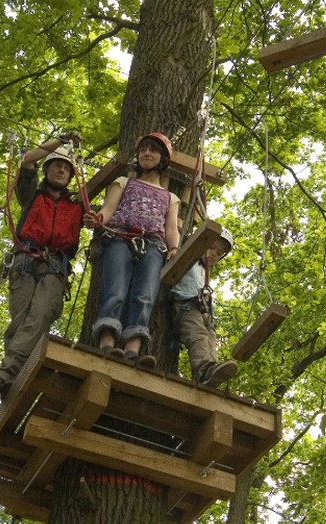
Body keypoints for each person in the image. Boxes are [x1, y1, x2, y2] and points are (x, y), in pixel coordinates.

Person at [0, 132, 84, 402]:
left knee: (38, 317)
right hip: (25, 262)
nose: (61, 170)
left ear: (71, 177)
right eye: (56, 166)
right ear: (47, 170)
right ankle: (11, 383)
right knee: (20, 323)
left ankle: (3, 374)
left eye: (66, 168)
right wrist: (61, 142)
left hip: (54, 266)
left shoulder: (77, 207)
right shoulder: (31, 196)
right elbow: (26, 160)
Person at [83, 132, 180, 368]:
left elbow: (171, 227)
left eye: (153, 150)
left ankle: (132, 348)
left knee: (145, 295)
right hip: (120, 236)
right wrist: (98, 219)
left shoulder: (171, 197)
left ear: (163, 159)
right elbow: (109, 207)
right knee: (115, 290)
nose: (147, 153)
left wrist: (174, 247)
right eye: (143, 149)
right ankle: (107, 341)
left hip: (154, 244)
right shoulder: (124, 182)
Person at [170, 228, 238, 387]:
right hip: (186, 306)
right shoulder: (189, 259)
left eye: (219, 252)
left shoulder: (204, 271)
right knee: (198, 336)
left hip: (203, 311)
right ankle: (204, 370)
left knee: (210, 340)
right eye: (211, 247)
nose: (214, 253)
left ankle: (212, 372)